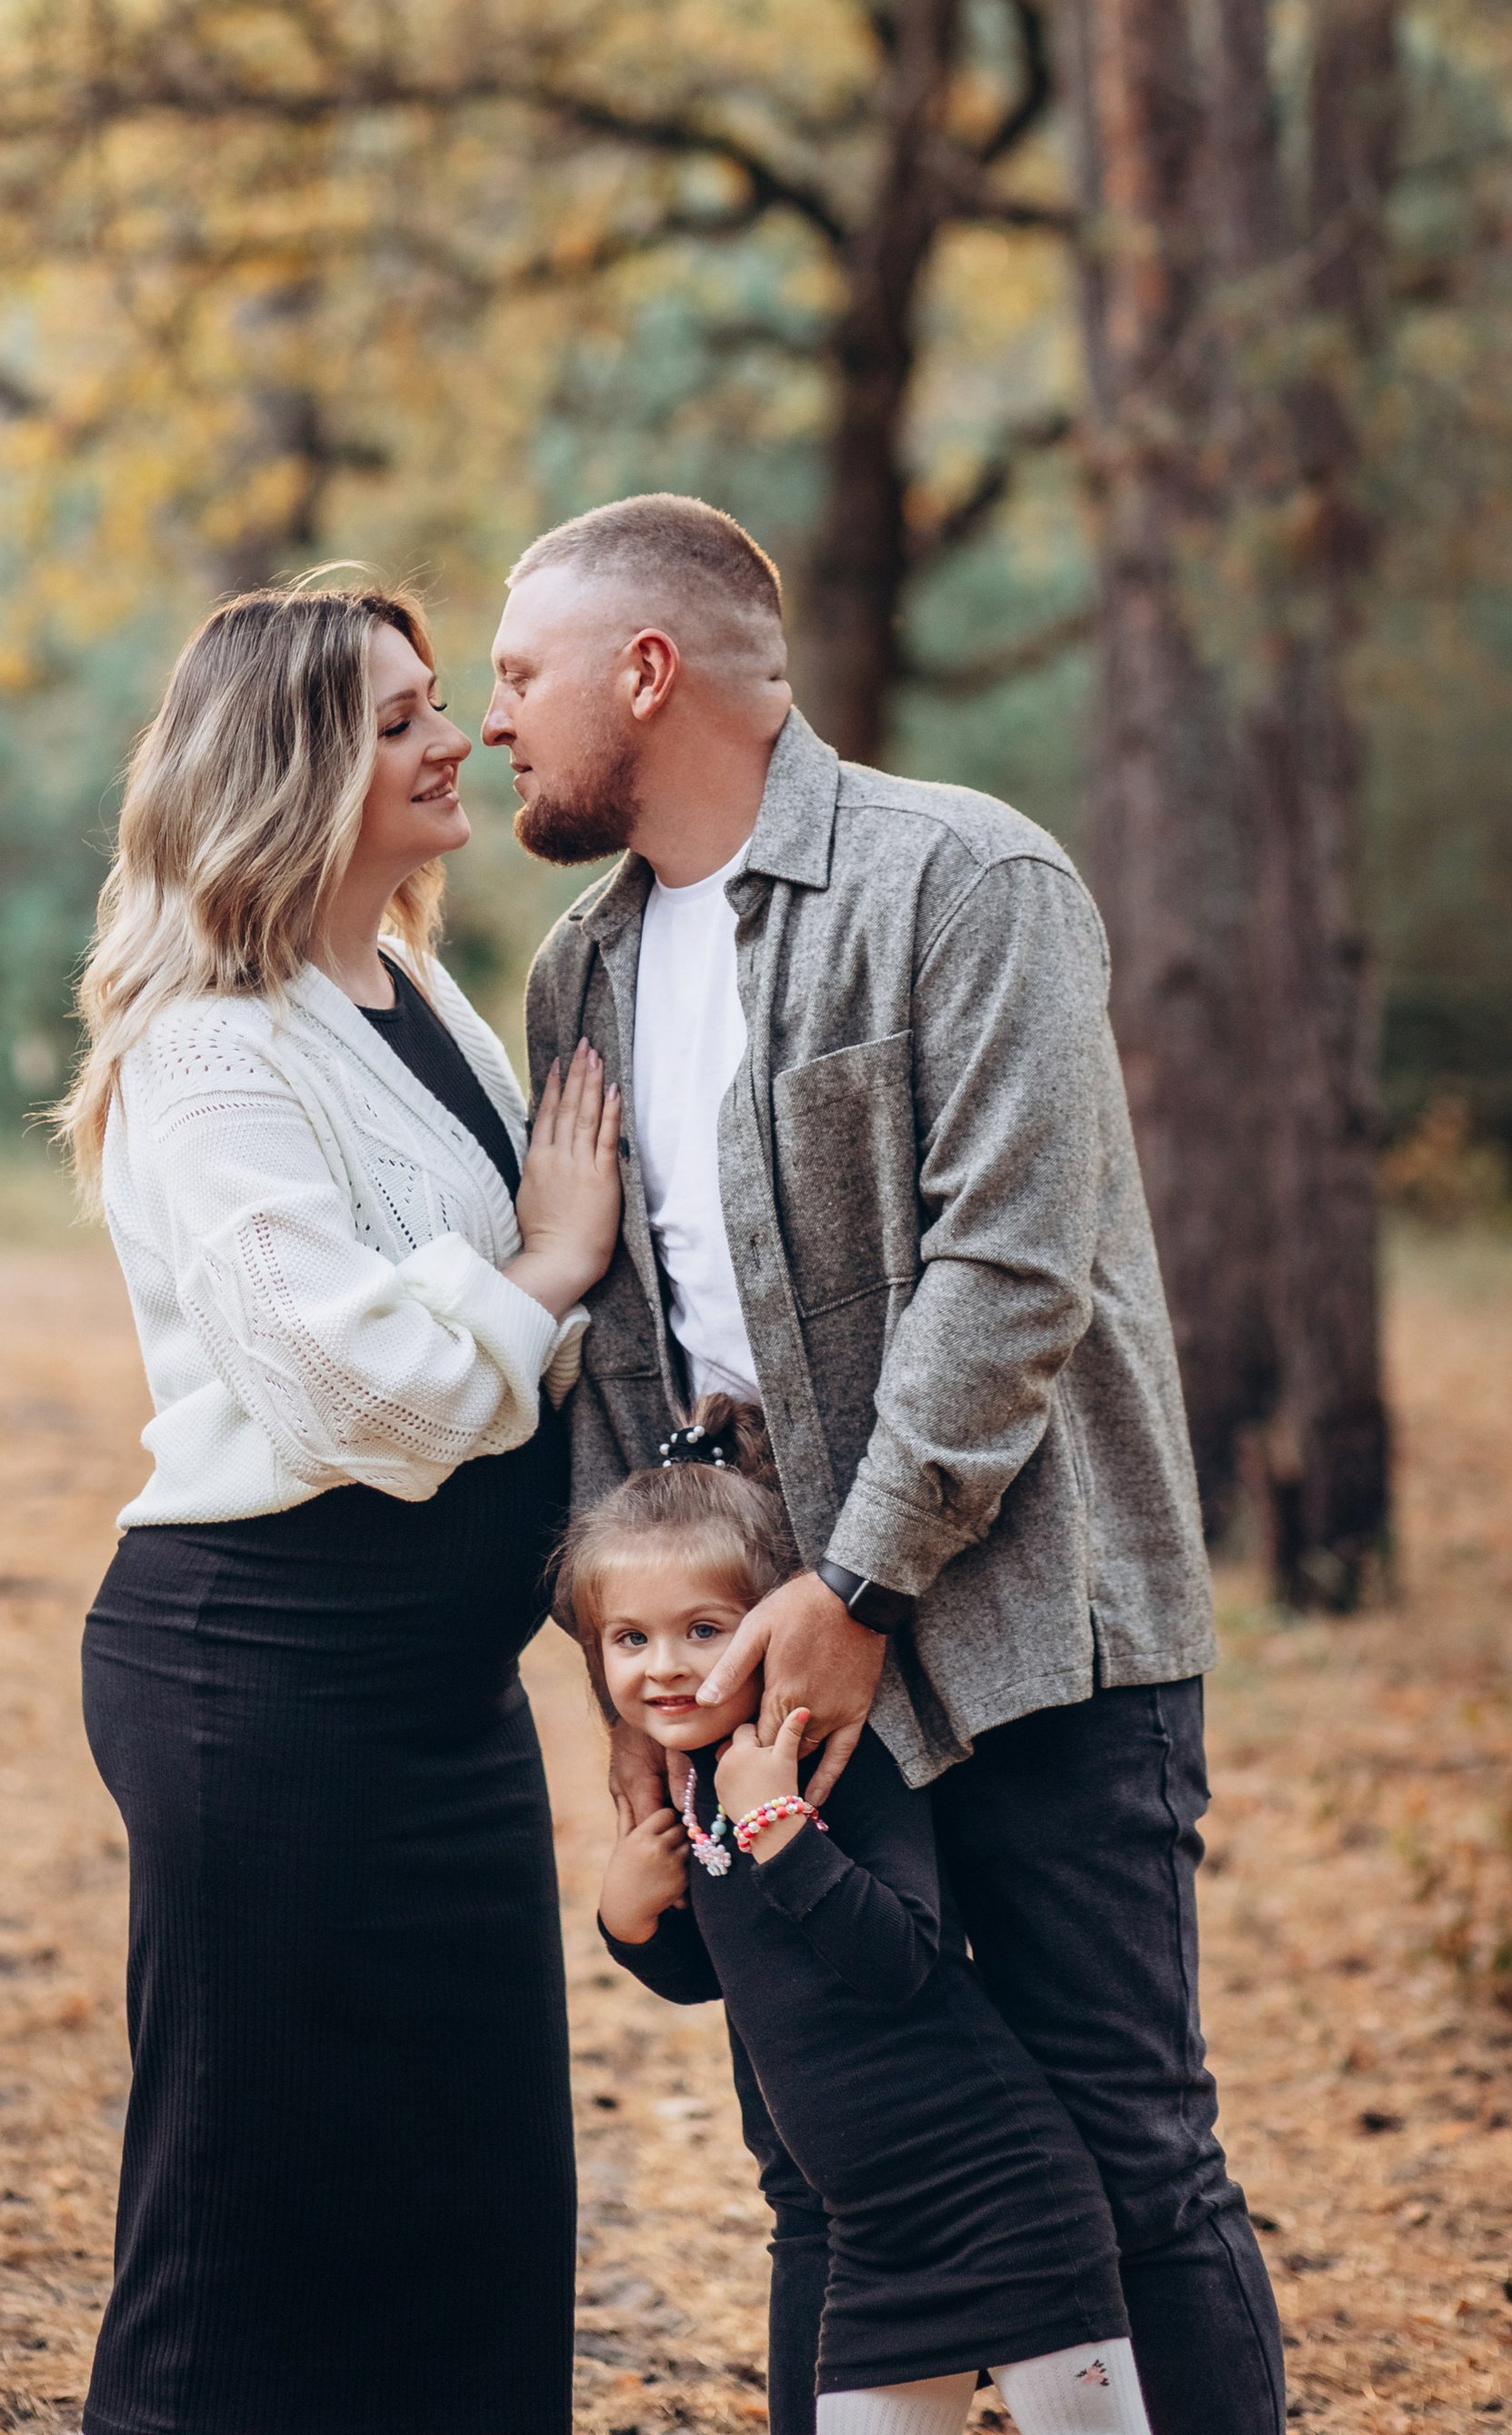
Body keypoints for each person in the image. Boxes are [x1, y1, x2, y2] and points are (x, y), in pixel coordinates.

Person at [485, 493, 1285, 2435]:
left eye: (518, 675)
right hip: (756, 1666)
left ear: (645, 670)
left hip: (1027, 1623)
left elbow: (1011, 1273)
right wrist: (639, 1686)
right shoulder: (576, 977)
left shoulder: (964, 883)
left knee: (1126, 2151)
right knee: (823, 2170)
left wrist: (858, 1588)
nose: (494, 719)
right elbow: (620, 1363)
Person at [65, 579, 621, 2435]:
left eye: (437, 700)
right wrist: (542, 1277)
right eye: (392, 719)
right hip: (264, 1685)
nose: (448, 735)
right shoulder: (207, 1046)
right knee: (245, 2241)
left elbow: (445, 1353)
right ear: (287, 766)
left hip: (434, 1709)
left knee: (469, 2214)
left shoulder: (405, 988)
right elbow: (346, 1389)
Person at [572, 1398, 1152, 2435]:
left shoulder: (841, 1763)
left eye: (701, 1630)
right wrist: (629, 1928)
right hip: (874, 2244)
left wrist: (781, 1826)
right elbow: (728, 1976)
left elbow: (898, 1959)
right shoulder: (701, 1782)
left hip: (1001, 2201)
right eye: (629, 1637)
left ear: (764, 1625)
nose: (662, 1665)